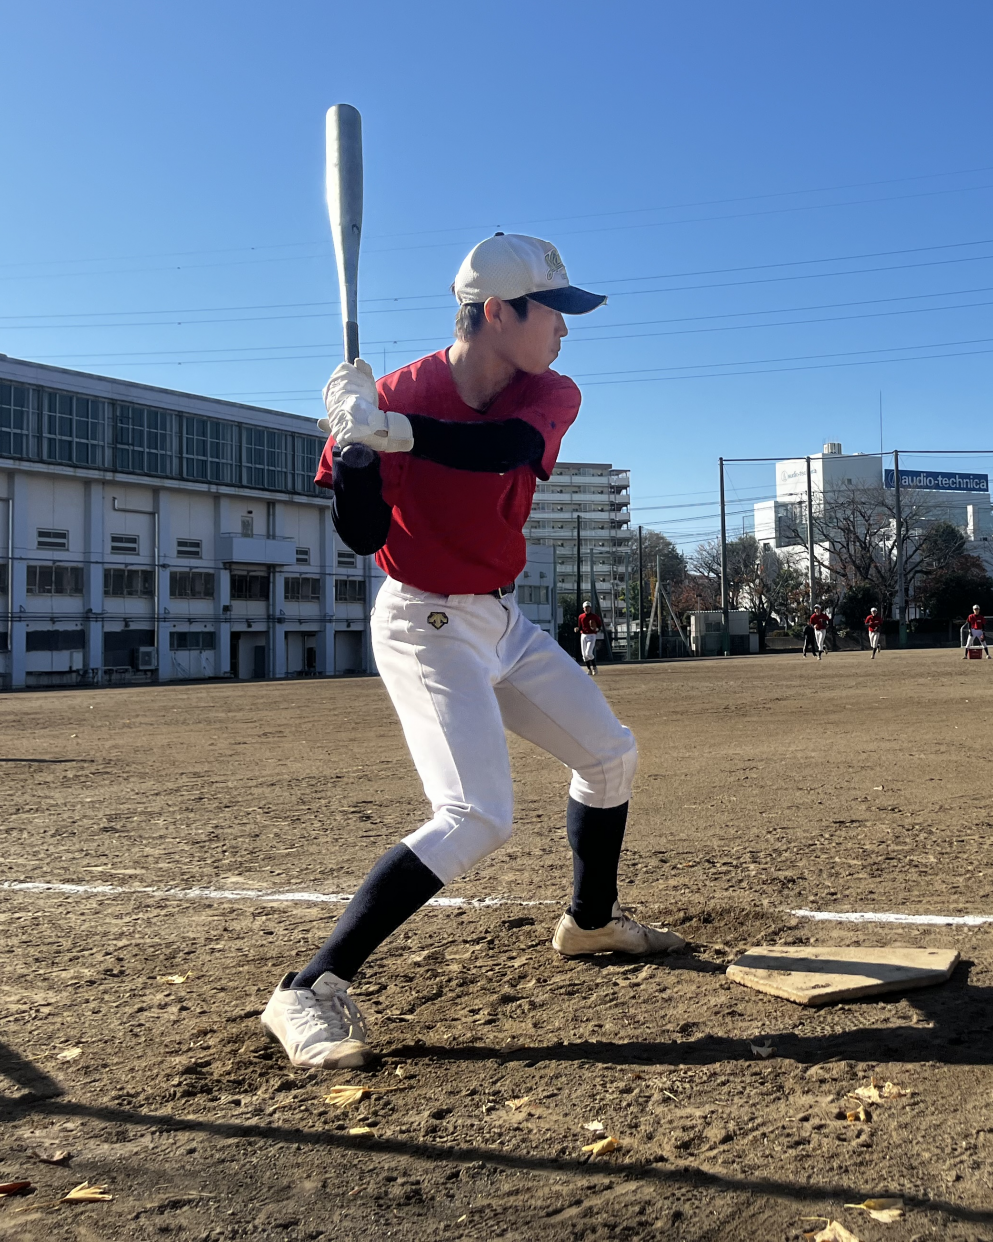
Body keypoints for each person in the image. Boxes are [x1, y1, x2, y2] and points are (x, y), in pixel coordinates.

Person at [260, 232, 684, 1071]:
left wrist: (392, 430)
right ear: (497, 312)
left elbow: (506, 450)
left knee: (610, 756)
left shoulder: (546, 392)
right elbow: (364, 534)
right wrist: (352, 454)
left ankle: (589, 922)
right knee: (478, 815)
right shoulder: (396, 394)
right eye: (551, 312)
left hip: (503, 619)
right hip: (422, 621)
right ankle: (307, 988)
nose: (563, 330)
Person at [577, 601, 602, 676]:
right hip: (583, 635)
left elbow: (599, 626)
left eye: (588, 607)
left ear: (590, 608)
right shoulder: (581, 616)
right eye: (585, 608)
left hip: (592, 635)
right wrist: (577, 629)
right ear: (583, 608)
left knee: (588, 653)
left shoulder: (595, 617)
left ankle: (594, 667)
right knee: (584, 655)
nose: (587, 609)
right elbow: (580, 626)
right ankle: (589, 670)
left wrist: (596, 629)